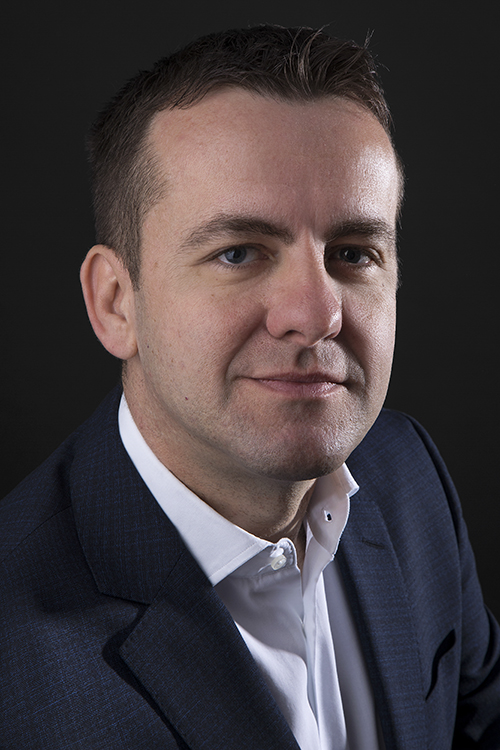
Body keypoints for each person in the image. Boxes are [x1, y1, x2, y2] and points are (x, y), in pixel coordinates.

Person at [1, 24, 499, 750]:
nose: (316, 314)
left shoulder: (409, 476)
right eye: (239, 253)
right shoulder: (16, 659)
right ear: (116, 303)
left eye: (354, 253)